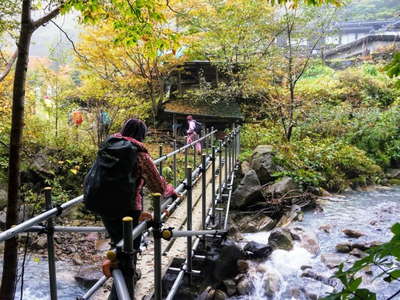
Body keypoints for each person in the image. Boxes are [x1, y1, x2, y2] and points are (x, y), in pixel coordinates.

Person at [102, 118, 177, 300]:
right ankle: (122, 292)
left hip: (104, 206)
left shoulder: (108, 147)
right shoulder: (139, 154)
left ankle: (125, 278)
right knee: (128, 253)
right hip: (127, 210)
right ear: (142, 135)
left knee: (119, 246)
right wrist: (172, 192)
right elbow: (157, 186)